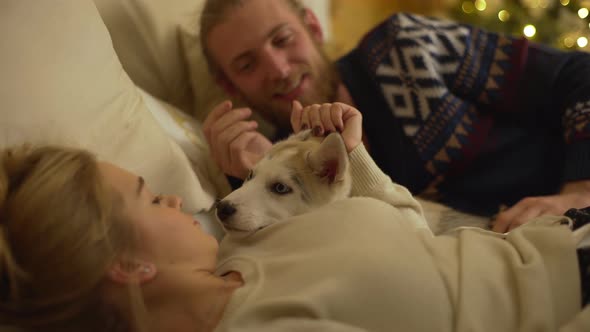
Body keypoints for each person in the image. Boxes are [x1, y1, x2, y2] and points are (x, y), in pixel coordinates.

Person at [1, 102, 590, 331]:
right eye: (152, 199)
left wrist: (353, 156)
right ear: (129, 265)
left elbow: (416, 242)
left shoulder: (239, 253)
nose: (178, 199)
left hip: (557, 237)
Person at [198, 0, 590, 233]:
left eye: (283, 40)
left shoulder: (405, 48)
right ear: (231, 86)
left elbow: (578, 75)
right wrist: (247, 176)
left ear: (313, 28)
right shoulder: (280, 160)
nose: (279, 69)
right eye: (247, 65)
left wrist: (578, 192)